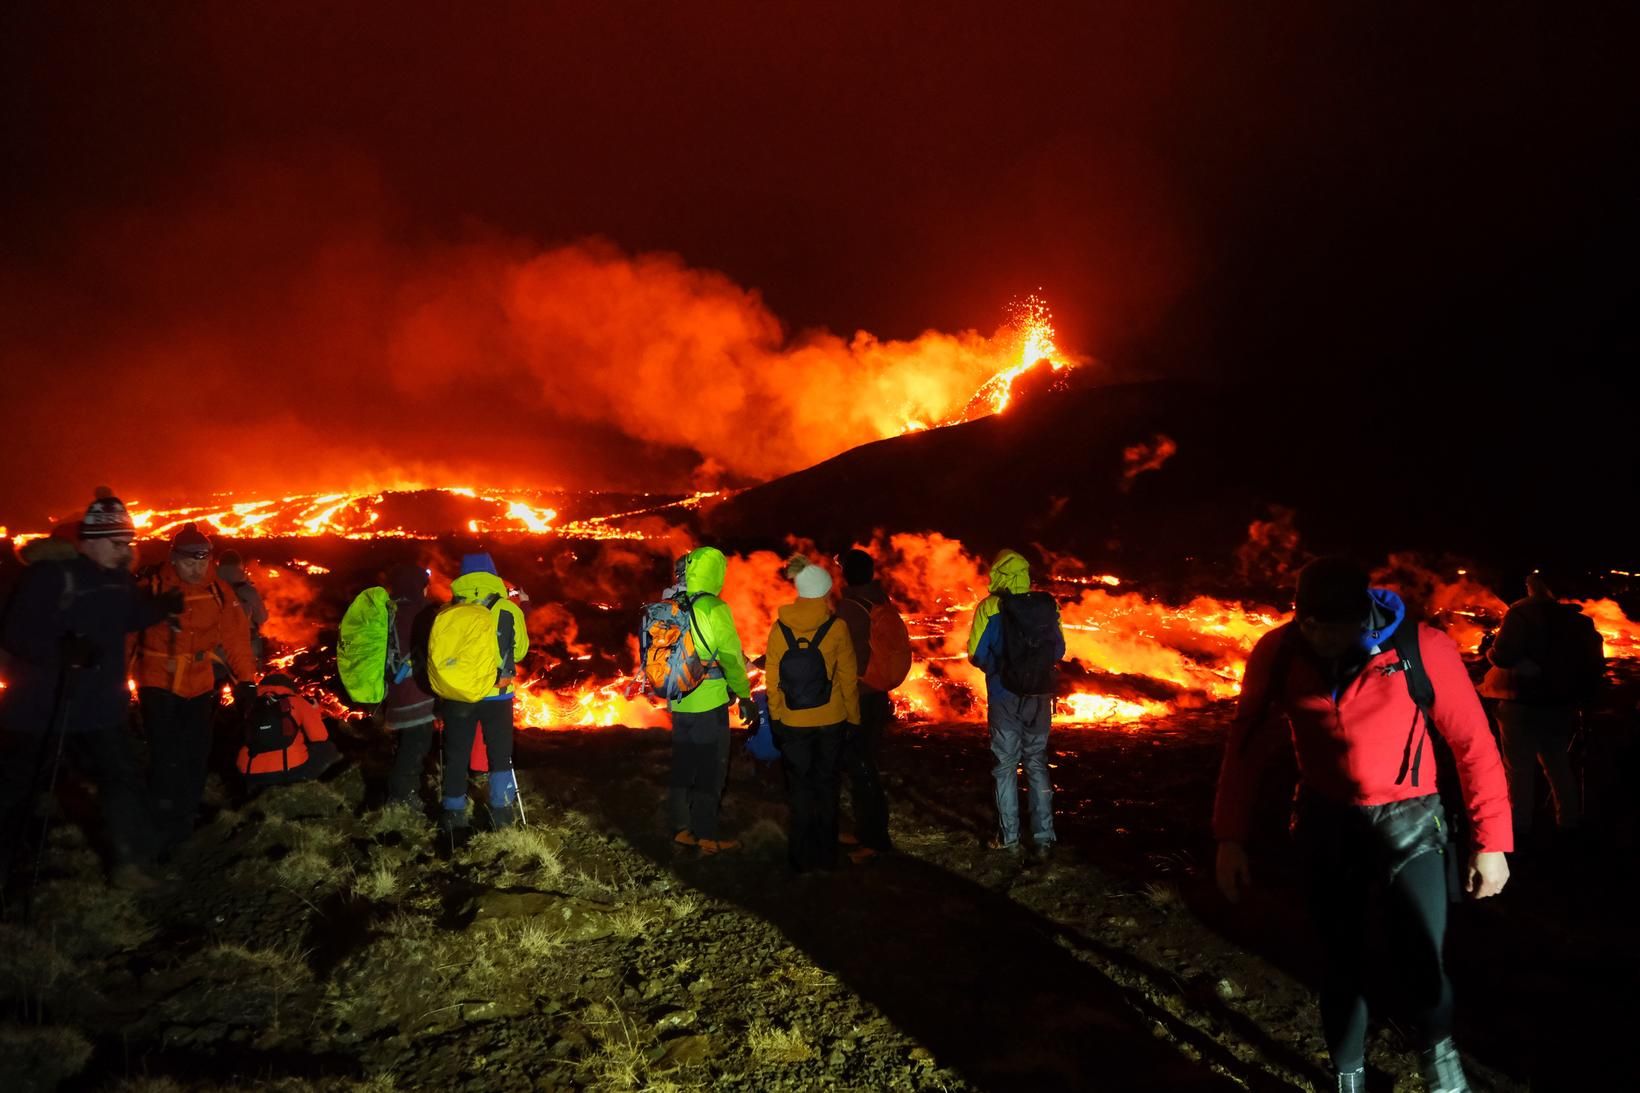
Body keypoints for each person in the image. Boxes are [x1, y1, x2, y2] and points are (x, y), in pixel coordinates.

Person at [1214, 557, 1512, 1093]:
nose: (1321, 637)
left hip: (1411, 820)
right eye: (1309, 624)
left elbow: (1473, 744)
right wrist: (1229, 838)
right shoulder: (1278, 652)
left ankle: (1441, 1068)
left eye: (1335, 627)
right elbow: (1245, 748)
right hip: (1327, 822)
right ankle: (1347, 1075)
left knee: (1423, 961)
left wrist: (1492, 842)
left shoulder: (1421, 648)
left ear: (1362, 616)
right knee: (1339, 963)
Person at [0, 489, 180, 890]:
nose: (127, 551)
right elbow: (15, 635)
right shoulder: (51, 577)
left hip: (101, 707)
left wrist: (160, 607)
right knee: (15, 790)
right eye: (119, 544)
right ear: (93, 541)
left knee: (122, 782)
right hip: (42, 708)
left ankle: (131, 866)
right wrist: (61, 649)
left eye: (129, 543)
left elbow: (127, 615)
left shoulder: (116, 580)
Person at [135, 523, 258, 855]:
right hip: (158, 683)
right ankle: (158, 826)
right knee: (165, 758)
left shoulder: (219, 591)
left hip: (200, 685)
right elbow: (127, 636)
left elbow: (235, 639)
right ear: (173, 558)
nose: (197, 567)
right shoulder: (152, 587)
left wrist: (247, 680)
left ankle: (183, 825)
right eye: (190, 560)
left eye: (203, 560)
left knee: (195, 756)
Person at [1485, 572, 1602, 842]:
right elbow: (1593, 665)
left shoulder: (1520, 615)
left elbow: (1502, 654)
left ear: (1533, 588)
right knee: (1559, 764)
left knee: (1518, 768)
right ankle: (1568, 823)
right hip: (1560, 704)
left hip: (1521, 703)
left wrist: (1490, 653)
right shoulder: (1580, 622)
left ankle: (1519, 828)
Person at [966, 549, 1065, 861]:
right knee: (1036, 763)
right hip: (1040, 697)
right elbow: (1059, 650)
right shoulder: (1046, 606)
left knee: (1006, 767)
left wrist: (1001, 669)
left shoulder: (990, 608)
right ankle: (1044, 838)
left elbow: (976, 654)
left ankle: (1008, 838)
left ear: (997, 573)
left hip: (1004, 695)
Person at [766, 556, 860, 873]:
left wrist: (777, 717)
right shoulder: (837, 628)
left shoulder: (780, 629)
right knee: (827, 786)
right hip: (831, 720)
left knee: (800, 788)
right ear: (824, 592)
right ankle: (826, 855)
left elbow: (772, 679)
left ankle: (799, 857)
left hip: (793, 722)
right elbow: (848, 677)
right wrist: (854, 718)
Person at [666, 546, 755, 854]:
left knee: (683, 766)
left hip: (678, 700)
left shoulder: (673, 605)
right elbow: (731, 658)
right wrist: (744, 695)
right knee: (711, 770)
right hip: (708, 703)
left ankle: (680, 829)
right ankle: (705, 836)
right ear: (716, 573)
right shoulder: (715, 608)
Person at [436, 552, 528, 833]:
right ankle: (501, 813)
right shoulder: (507, 608)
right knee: (499, 754)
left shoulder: (447, 610)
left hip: (458, 694)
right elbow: (521, 650)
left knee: (456, 753)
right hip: (497, 694)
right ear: (493, 575)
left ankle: (453, 814)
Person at [834, 547, 906, 862]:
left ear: (846, 574)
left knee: (861, 768)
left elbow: (848, 654)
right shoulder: (879, 600)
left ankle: (874, 841)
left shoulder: (851, 606)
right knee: (863, 764)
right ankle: (866, 832)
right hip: (877, 693)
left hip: (860, 696)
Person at [384, 563, 439, 806]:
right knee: (416, 742)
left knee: (406, 741)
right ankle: (402, 796)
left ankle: (400, 788)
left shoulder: (388, 610)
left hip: (394, 689)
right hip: (417, 692)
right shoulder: (421, 611)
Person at [234, 673, 341, 786]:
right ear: (289, 687)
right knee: (328, 748)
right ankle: (301, 783)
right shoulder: (296, 701)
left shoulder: (249, 704)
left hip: (247, 772)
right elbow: (320, 736)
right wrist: (314, 711)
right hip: (288, 772)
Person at [215, 550, 269, 669]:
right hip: (244, 647)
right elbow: (262, 618)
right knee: (247, 681)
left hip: (215, 648)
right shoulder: (248, 590)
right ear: (240, 566)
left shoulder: (208, 588)